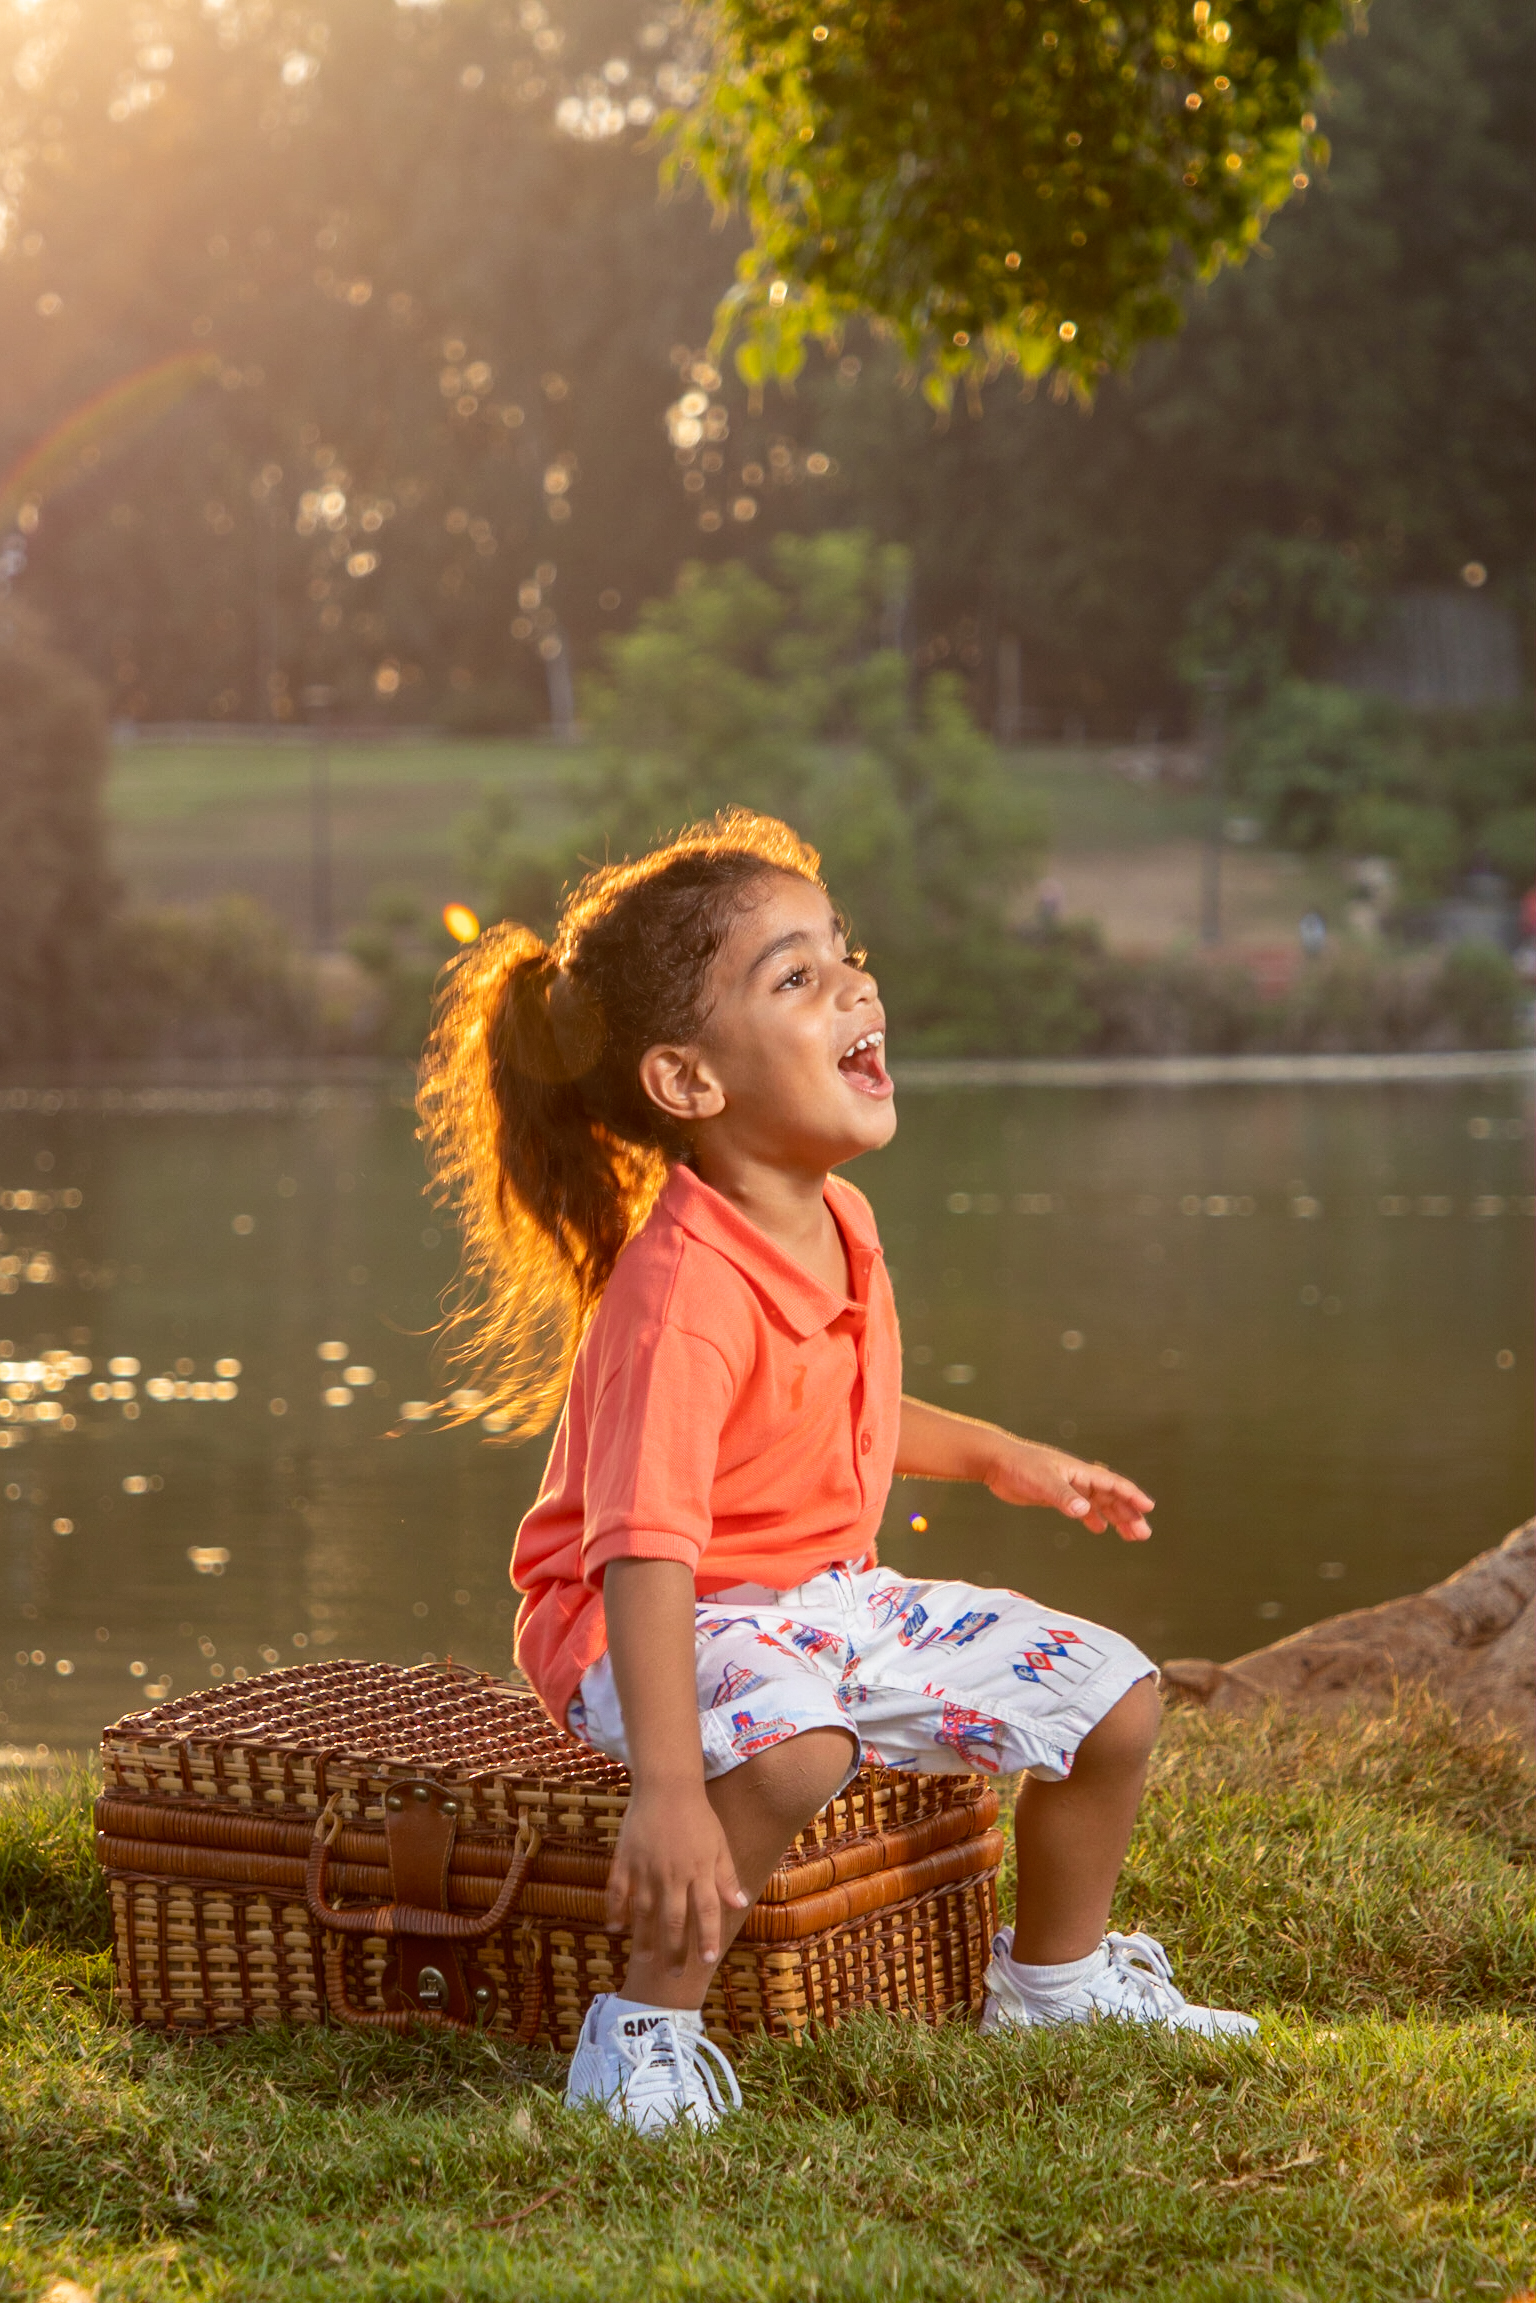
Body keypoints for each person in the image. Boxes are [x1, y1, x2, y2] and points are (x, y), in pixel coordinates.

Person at [418, 810, 1257, 2134]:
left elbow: (837, 1412)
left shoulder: (840, 1220)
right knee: (797, 1750)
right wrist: (670, 1793)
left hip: (824, 1591)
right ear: (690, 1084)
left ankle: (1054, 1985)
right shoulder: (679, 1292)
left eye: (844, 953)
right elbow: (642, 1546)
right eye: (796, 977)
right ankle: (641, 2033)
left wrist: (1003, 1458)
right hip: (639, 1619)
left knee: (1116, 1698)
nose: (857, 985)